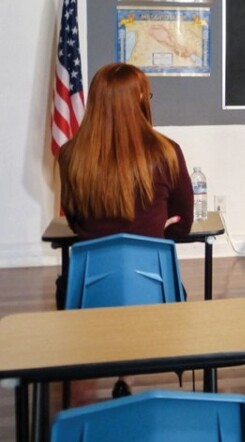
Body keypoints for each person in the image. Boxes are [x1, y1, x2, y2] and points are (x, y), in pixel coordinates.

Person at [56, 62, 194, 399]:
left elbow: (74, 220)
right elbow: (184, 224)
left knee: (65, 285)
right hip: (155, 292)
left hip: (89, 295)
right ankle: (127, 373)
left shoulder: (70, 155)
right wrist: (155, 233)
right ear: (141, 99)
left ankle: (101, 373)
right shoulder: (166, 152)